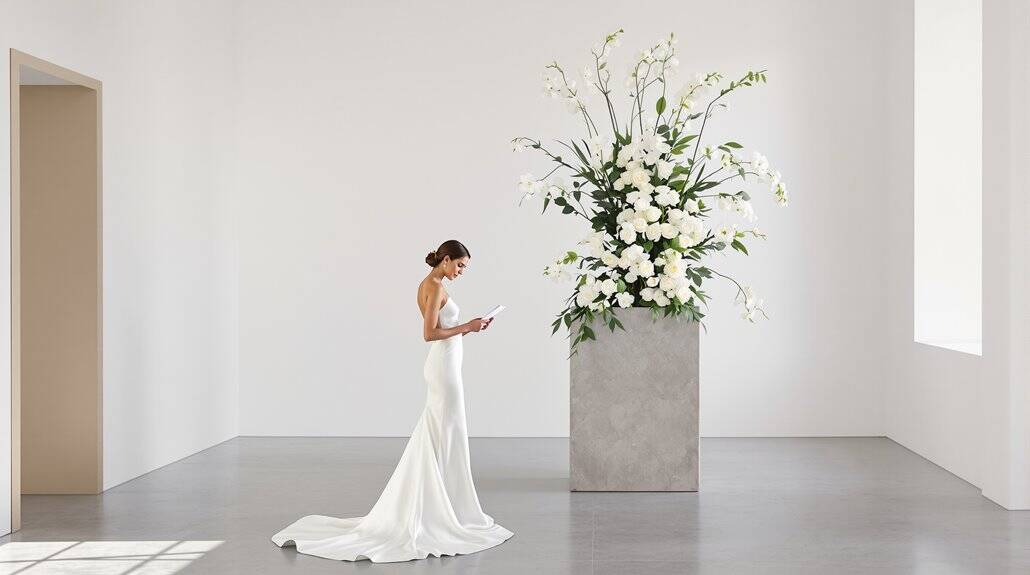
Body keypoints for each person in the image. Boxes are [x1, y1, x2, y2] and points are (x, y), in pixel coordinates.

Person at [271, 239, 514, 562]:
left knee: (445, 433)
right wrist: (465, 326)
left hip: (448, 363)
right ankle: (437, 511)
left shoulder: (435, 283)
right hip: (443, 368)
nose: (461, 271)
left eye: (464, 268)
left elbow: (445, 328)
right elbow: (428, 334)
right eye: (459, 265)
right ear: (445, 259)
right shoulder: (433, 286)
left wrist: (472, 328)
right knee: (446, 431)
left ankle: (445, 505)